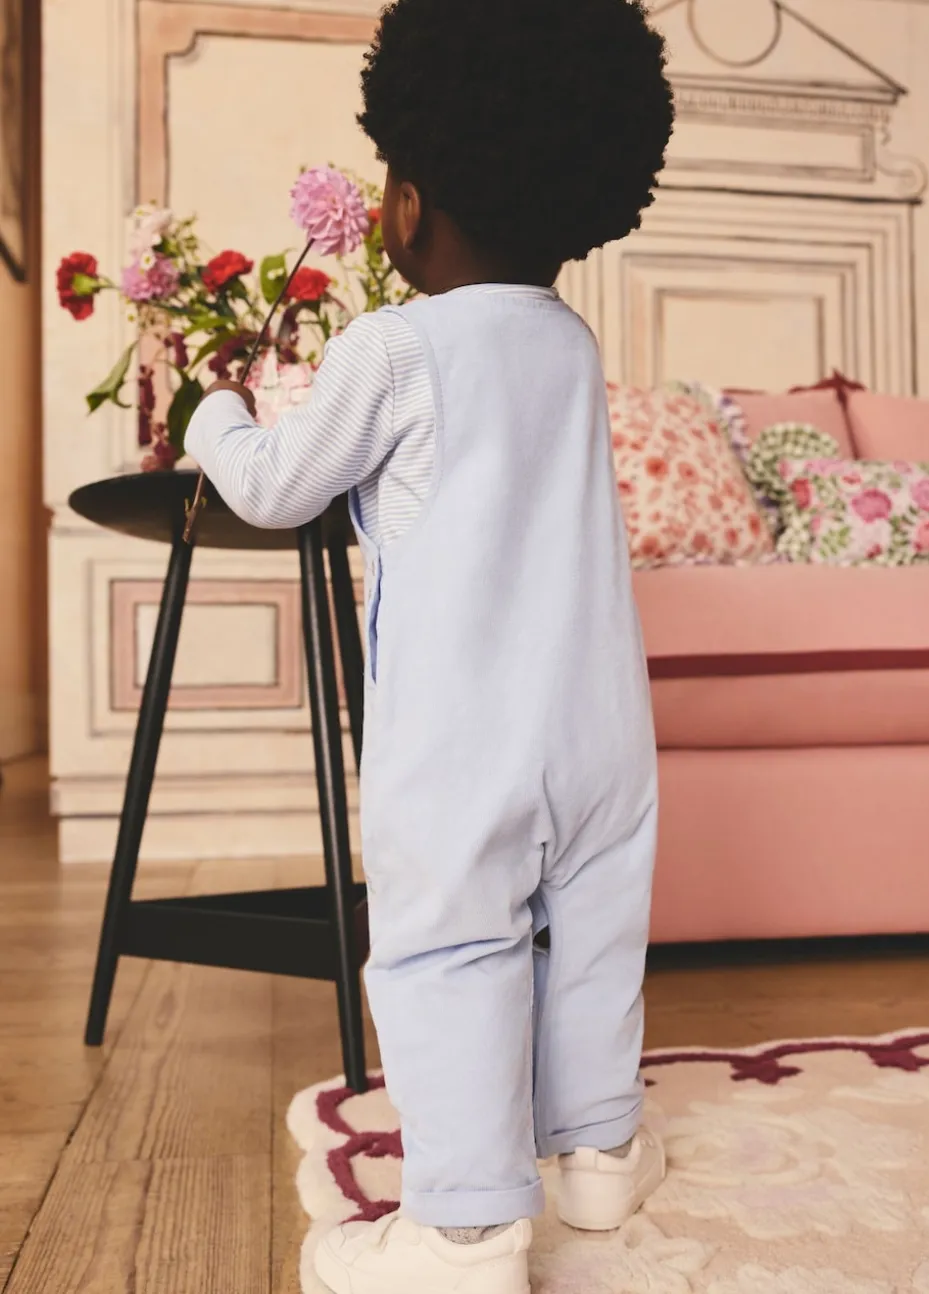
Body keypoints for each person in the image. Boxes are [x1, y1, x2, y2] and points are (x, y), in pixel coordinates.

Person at [185, 1, 674, 1289]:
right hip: (601, 729)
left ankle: (463, 1232)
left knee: (450, 943)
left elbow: (278, 486)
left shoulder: (392, 347)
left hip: (464, 736)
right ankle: (599, 1154)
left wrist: (212, 418)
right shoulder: (568, 341)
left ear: (406, 206)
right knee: (593, 930)